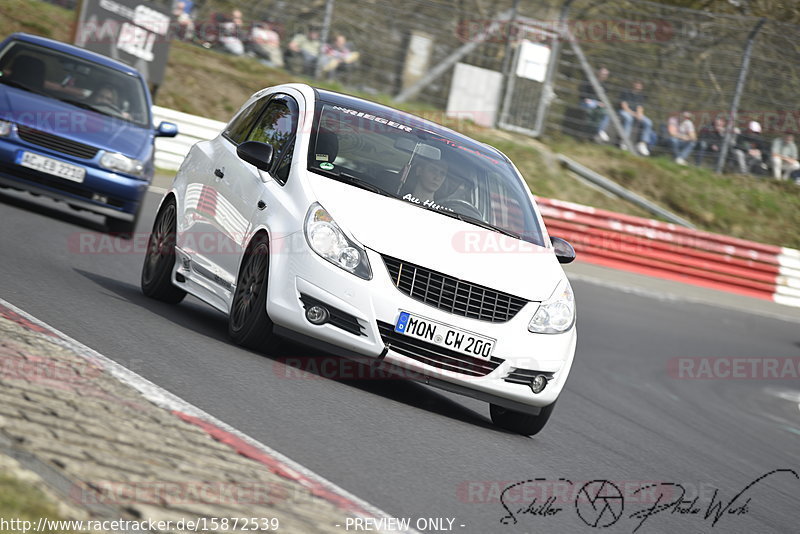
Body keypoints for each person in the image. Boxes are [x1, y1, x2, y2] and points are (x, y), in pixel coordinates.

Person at [617, 80, 653, 156]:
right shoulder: (626, 92)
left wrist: (639, 115)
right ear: (633, 84)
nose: (638, 86)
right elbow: (624, 106)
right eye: (637, 84)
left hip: (635, 113)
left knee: (648, 122)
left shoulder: (641, 96)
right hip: (624, 112)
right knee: (628, 119)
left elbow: (640, 108)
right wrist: (633, 114)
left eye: (640, 85)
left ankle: (642, 143)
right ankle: (624, 141)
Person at [578, 66, 610, 142]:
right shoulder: (589, 81)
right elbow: (582, 93)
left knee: (607, 113)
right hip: (586, 102)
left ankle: (599, 131)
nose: (603, 75)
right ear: (598, 73)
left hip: (598, 104)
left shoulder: (604, 86)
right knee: (591, 107)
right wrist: (587, 99)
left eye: (605, 74)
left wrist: (602, 103)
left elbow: (604, 99)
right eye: (602, 73)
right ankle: (587, 132)